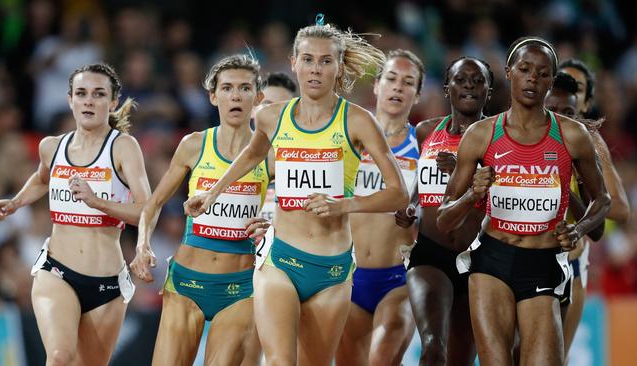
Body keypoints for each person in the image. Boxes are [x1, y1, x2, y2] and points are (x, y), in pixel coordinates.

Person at [184, 20, 408, 365]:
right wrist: (213, 193)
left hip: (332, 270)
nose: (315, 69)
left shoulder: (358, 121)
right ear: (293, 62)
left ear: (338, 65)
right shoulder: (273, 118)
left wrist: (343, 205)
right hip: (280, 262)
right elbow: (253, 155)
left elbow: (398, 194)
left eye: (325, 61)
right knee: (279, 361)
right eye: (307, 60)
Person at [436, 37, 611, 366]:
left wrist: (578, 229)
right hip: (492, 261)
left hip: (542, 264)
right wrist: (474, 193)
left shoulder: (572, 135)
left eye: (543, 73)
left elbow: (603, 199)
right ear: (509, 72)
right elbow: (445, 219)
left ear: (550, 80)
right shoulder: (482, 135)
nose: (533, 78)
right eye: (525, 69)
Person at [0, 63, 151, 365]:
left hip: (107, 283)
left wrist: (98, 203)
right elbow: (41, 179)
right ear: (70, 100)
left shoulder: (123, 148)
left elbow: (147, 208)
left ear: (113, 102)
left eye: (98, 94)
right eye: (81, 93)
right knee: (60, 357)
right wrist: (16, 202)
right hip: (57, 272)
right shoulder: (52, 147)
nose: (89, 101)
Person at [130, 54, 269, 365]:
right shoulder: (194, 145)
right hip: (186, 284)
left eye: (245, 88)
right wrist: (142, 246)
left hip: (241, 288)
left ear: (258, 97)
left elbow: (290, 210)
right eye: (227, 88)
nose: (236, 96)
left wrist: (272, 226)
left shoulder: (269, 155)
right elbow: (153, 205)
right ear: (213, 95)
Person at [394, 56, 494, 365]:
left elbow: (504, 192)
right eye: (461, 79)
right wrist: (412, 204)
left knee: (460, 360)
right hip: (431, 256)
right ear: (447, 86)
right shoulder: (426, 131)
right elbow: (420, 183)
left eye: (478, 81)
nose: (469, 86)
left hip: (478, 260)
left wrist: (463, 171)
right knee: (433, 349)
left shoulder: (497, 137)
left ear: (488, 92)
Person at [335, 49, 423, 366]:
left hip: (400, 278)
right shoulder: (347, 142)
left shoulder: (423, 148)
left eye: (408, 82)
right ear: (377, 86)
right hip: (347, 276)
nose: (398, 87)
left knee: (382, 358)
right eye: (391, 78)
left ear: (417, 94)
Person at [555, 60, 631, 358]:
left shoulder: (591, 142)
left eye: (578, 90)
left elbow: (620, 208)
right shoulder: (527, 132)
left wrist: (581, 208)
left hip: (572, 265)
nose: (568, 93)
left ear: (584, 102)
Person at [257, 72, 297, 222]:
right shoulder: (232, 165)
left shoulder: (309, 164)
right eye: (267, 105)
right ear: (254, 110)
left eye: (283, 107)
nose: (274, 113)